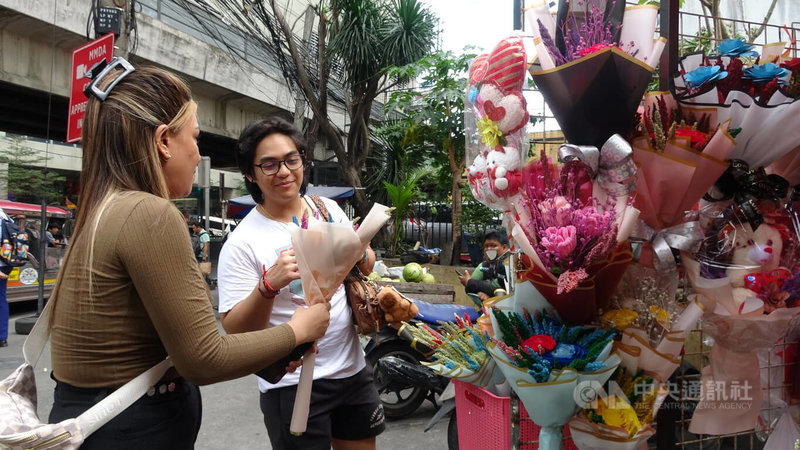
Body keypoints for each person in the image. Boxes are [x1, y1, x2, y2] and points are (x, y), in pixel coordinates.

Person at [47, 57, 331, 448]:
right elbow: (203, 357)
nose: (198, 154)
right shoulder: (150, 213)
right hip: (134, 429)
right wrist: (299, 329)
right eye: (194, 138)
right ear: (164, 141)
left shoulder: (101, 210)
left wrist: (272, 352)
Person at [217, 116, 385, 450]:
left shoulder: (329, 210)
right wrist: (269, 286)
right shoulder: (243, 242)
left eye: (292, 159)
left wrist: (359, 252)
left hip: (351, 371)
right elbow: (235, 330)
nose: (284, 171)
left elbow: (365, 264)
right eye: (269, 164)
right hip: (292, 384)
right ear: (251, 174)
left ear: (302, 161)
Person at [457, 229, 511, 301]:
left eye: (493, 246)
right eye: (486, 246)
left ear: (504, 247)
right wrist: (479, 293)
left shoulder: (509, 263)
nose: (489, 249)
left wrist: (470, 283)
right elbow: (470, 288)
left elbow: (498, 284)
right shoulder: (483, 266)